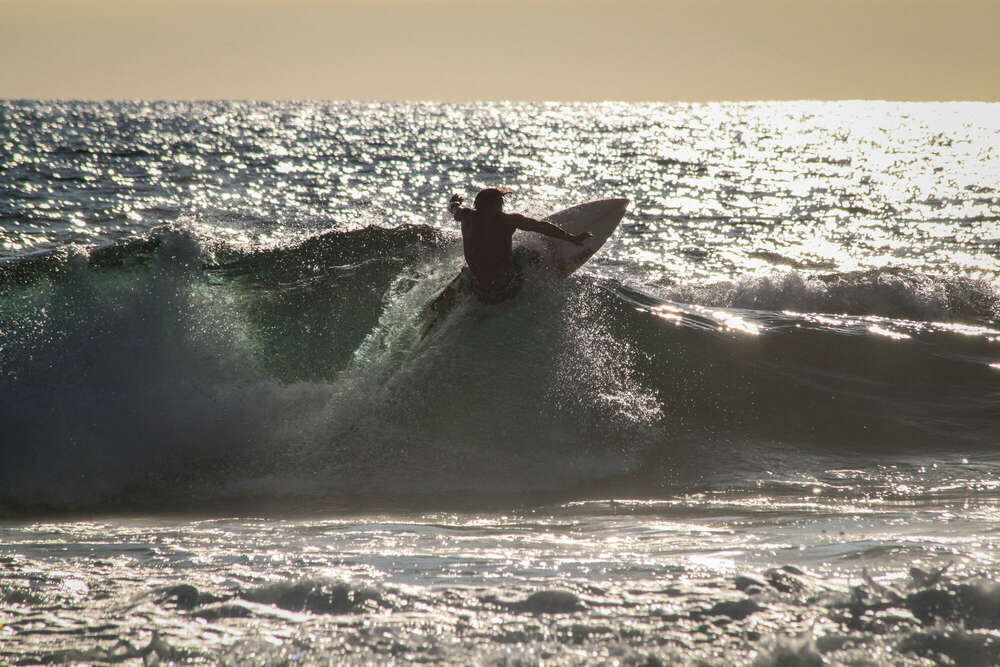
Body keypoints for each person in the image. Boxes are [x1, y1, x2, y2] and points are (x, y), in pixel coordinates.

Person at [445, 188, 590, 304]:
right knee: (528, 252)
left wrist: (454, 202)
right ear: (496, 205)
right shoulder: (507, 221)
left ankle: (459, 293)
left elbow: (453, 209)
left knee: (471, 271)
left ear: (477, 205)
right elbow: (542, 227)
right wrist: (571, 238)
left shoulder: (465, 216)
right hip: (508, 289)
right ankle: (558, 266)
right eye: (500, 203)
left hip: (480, 292)